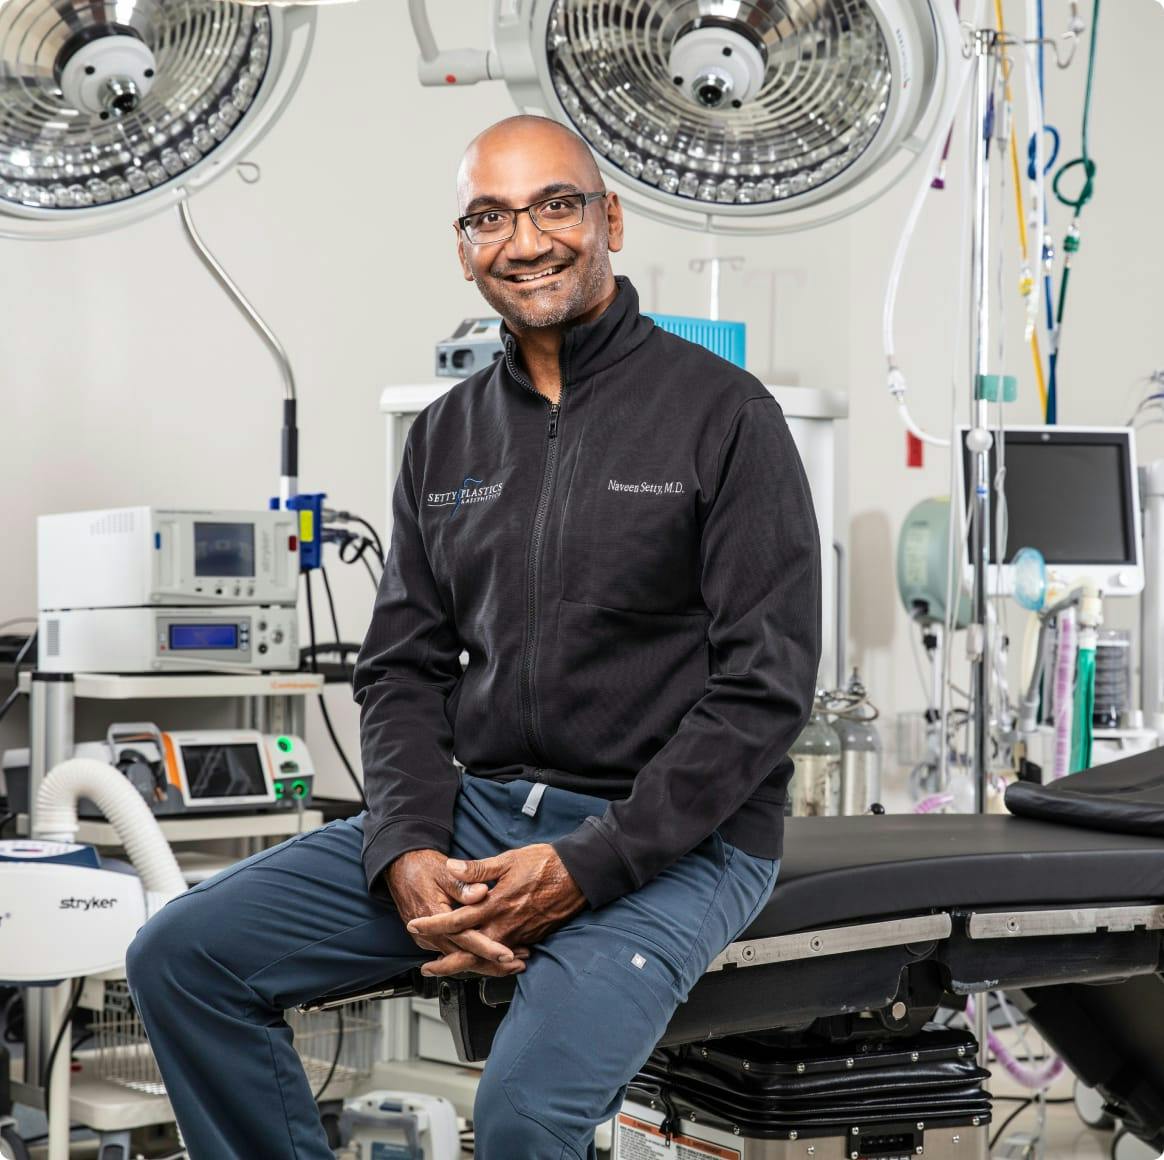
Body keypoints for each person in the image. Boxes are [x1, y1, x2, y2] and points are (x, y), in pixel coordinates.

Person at [127, 114, 821, 1160]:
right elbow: (401, 669)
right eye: (489, 216)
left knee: (524, 1113)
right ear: (464, 247)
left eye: (556, 205)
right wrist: (403, 843)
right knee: (181, 956)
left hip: (678, 841)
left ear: (610, 220)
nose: (526, 239)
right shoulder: (446, 435)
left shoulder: (723, 414)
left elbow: (765, 688)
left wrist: (591, 864)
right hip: (481, 818)